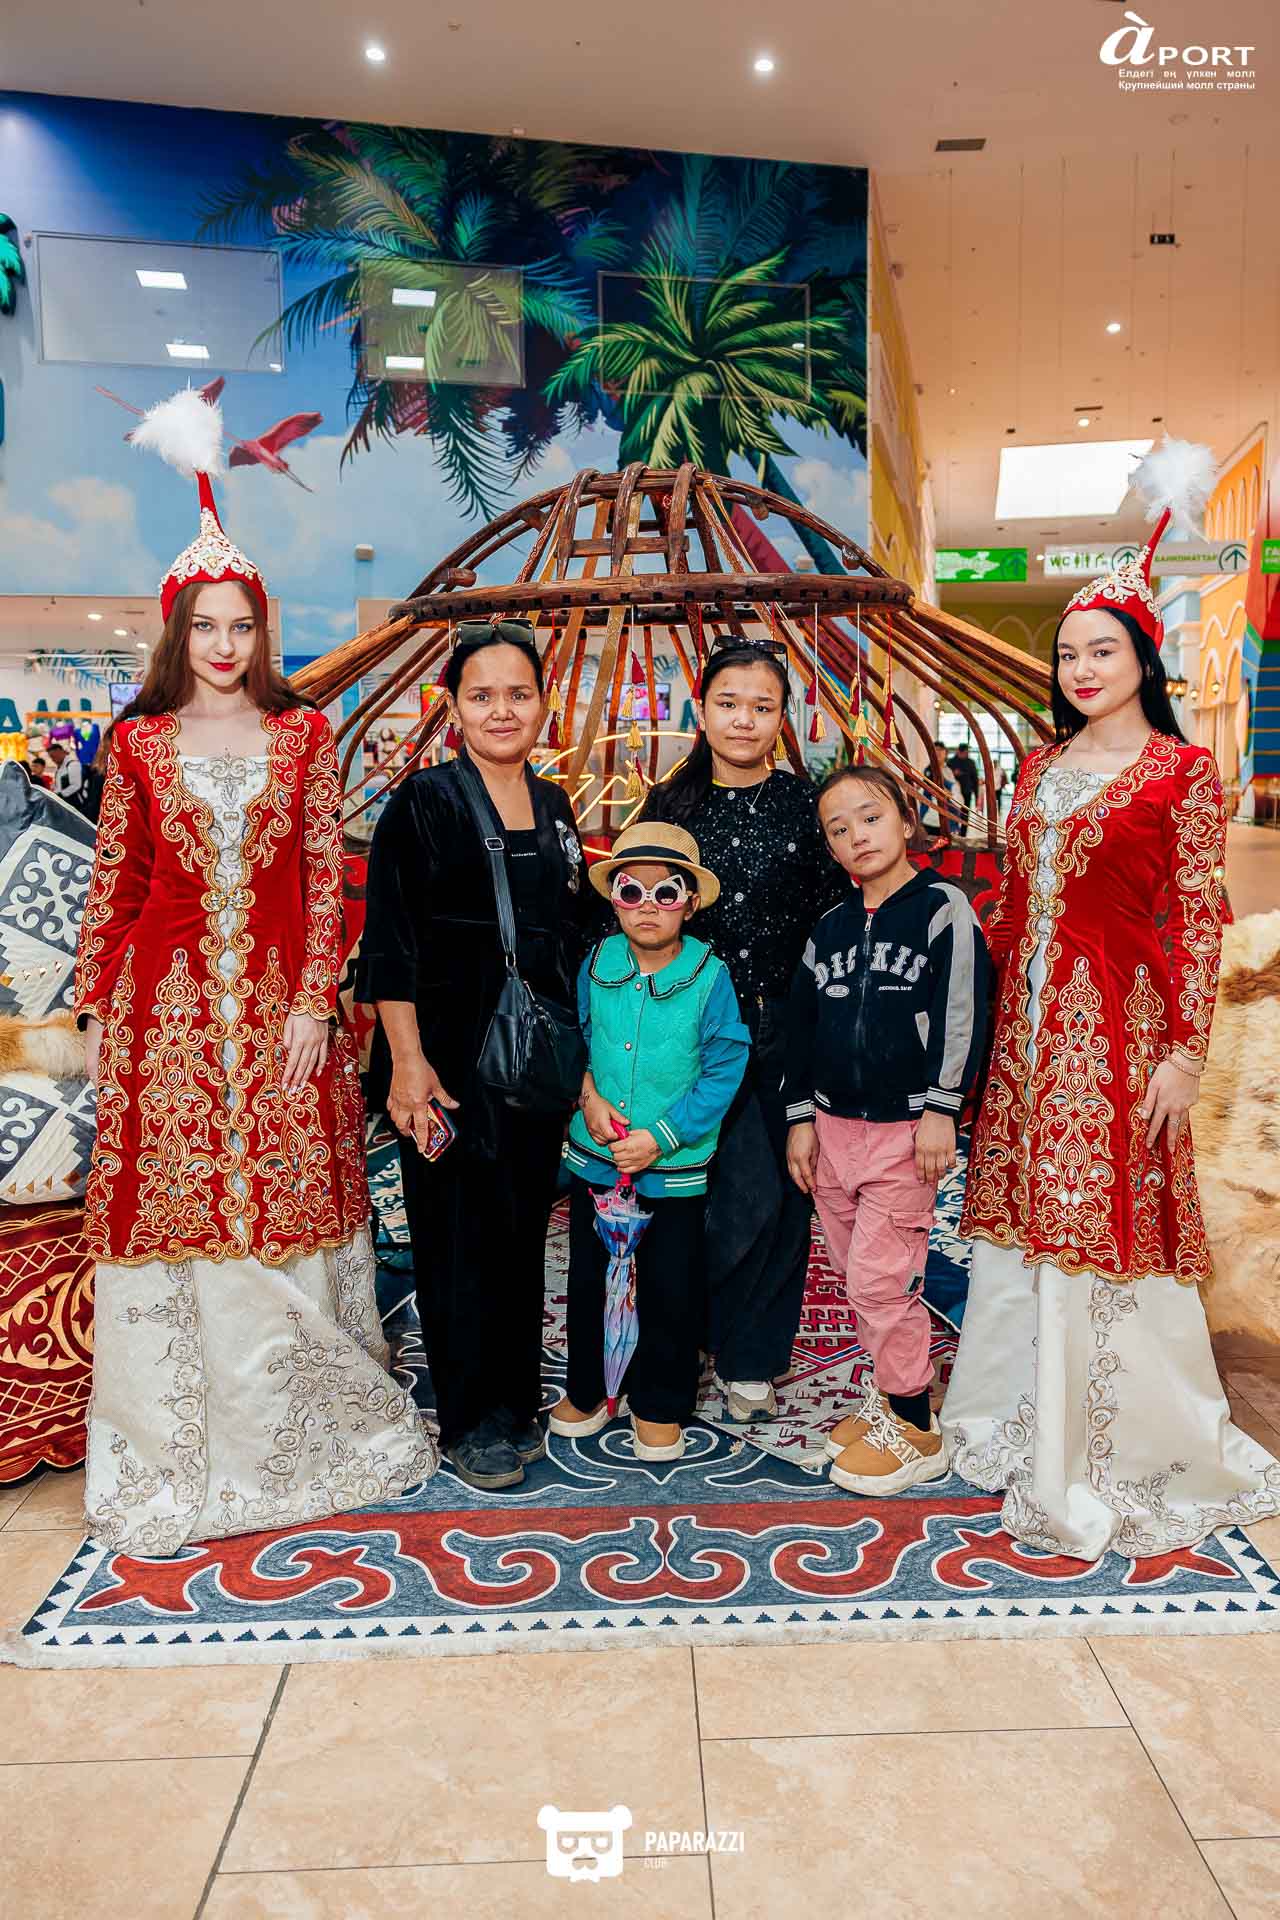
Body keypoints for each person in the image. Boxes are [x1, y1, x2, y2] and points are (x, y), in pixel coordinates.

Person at [73, 388, 434, 1556]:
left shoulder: (302, 735)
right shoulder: (137, 743)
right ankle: (182, 1445)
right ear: (177, 632)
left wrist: (312, 999)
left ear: (261, 633)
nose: (225, 646)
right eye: (207, 627)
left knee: (287, 1202)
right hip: (165, 1016)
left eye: (242, 626)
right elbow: (119, 880)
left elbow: (326, 876)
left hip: (282, 1015)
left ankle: (304, 1434)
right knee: (181, 1214)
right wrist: (96, 1003)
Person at [943, 509, 1280, 1558]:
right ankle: (1016, 1417)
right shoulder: (1037, 769)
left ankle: (1113, 1442)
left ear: (1142, 659)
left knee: (1107, 1221)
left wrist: (1184, 1055)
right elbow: (1013, 907)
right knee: (1021, 1223)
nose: (1081, 669)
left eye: (1102, 651)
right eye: (1068, 654)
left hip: (1122, 1041)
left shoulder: (1182, 773)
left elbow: (1197, 920)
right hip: (1027, 1040)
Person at [360, 618, 591, 1492]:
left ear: (543, 704)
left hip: (533, 1058)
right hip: (447, 1059)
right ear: (453, 706)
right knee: (455, 1236)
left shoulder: (555, 803)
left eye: (518, 694)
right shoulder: (424, 802)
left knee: (523, 1231)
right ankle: (468, 1419)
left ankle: (515, 1395)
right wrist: (408, 1061)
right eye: (482, 695)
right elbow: (389, 944)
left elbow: (569, 929)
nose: (502, 710)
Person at [640, 634, 842, 1422]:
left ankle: (752, 1354)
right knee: (688, 1187)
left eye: (762, 706)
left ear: (783, 717)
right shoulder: (669, 806)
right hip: (686, 1024)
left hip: (784, 1020)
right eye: (728, 702)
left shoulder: (805, 805)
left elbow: (834, 919)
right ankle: (684, 1332)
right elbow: (632, 913)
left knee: (779, 1192)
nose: (744, 719)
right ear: (702, 708)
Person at [785, 765, 989, 1493]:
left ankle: (915, 1429)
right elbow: (801, 1028)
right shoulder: (829, 928)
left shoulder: (941, 909)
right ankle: (892, 1393)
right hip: (832, 1128)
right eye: (838, 829)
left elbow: (962, 1013)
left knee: (881, 1278)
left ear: (906, 821)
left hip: (905, 1128)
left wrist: (941, 1108)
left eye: (870, 818)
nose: (857, 837)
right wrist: (801, 1119)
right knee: (854, 1274)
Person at [554, 822, 750, 1460]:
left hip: (674, 1166)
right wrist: (588, 1097)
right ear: (613, 899)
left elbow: (725, 1066)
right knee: (589, 1278)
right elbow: (577, 1041)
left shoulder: (709, 975)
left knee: (670, 1285)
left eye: (665, 893)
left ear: (688, 904)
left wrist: (662, 1137)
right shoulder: (596, 964)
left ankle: (659, 1401)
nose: (647, 906)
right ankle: (587, 1388)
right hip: (598, 1158)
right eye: (631, 891)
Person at [947, 739, 979, 836]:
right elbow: (945, 776)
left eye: (967, 752)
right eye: (964, 752)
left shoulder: (971, 762)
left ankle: (963, 834)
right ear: (958, 751)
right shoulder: (951, 762)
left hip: (966, 792)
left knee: (965, 814)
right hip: (953, 793)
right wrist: (954, 773)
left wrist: (977, 796)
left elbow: (975, 779)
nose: (966, 754)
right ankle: (953, 832)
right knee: (953, 812)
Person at [47, 739, 85, 809]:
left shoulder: (73, 764)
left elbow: (76, 785)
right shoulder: (58, 768)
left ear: (60, 752)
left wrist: (60, 795)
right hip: (64, 803)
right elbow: (58, 787)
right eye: (51, 757)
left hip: (75, 804)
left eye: (53, 756)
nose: (52, 759)